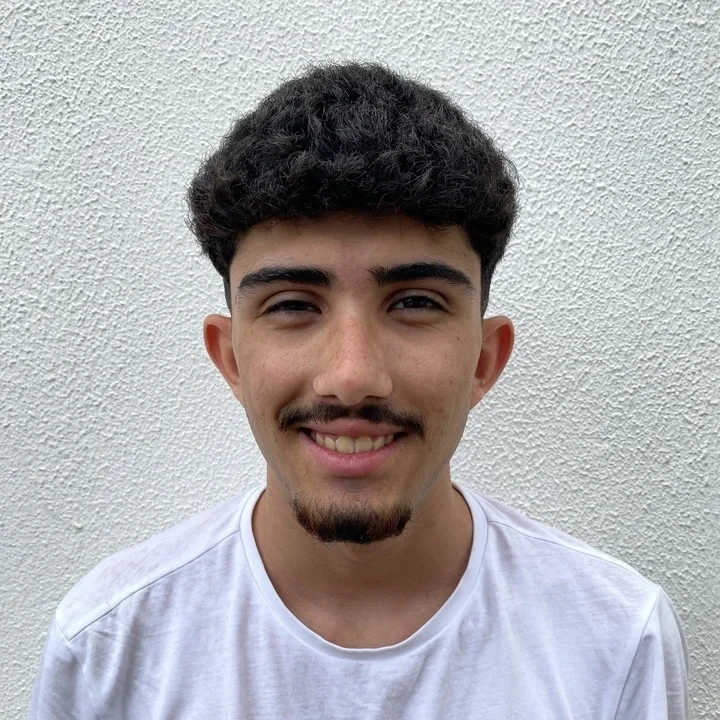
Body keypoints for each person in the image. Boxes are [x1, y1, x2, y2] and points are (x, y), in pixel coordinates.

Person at [29, 61, 690, 719]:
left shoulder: (615, 641)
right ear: (230, 358)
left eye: (414, 303)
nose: (351, 377)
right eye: (293, 305)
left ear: (484, 360)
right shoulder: (108, 647)